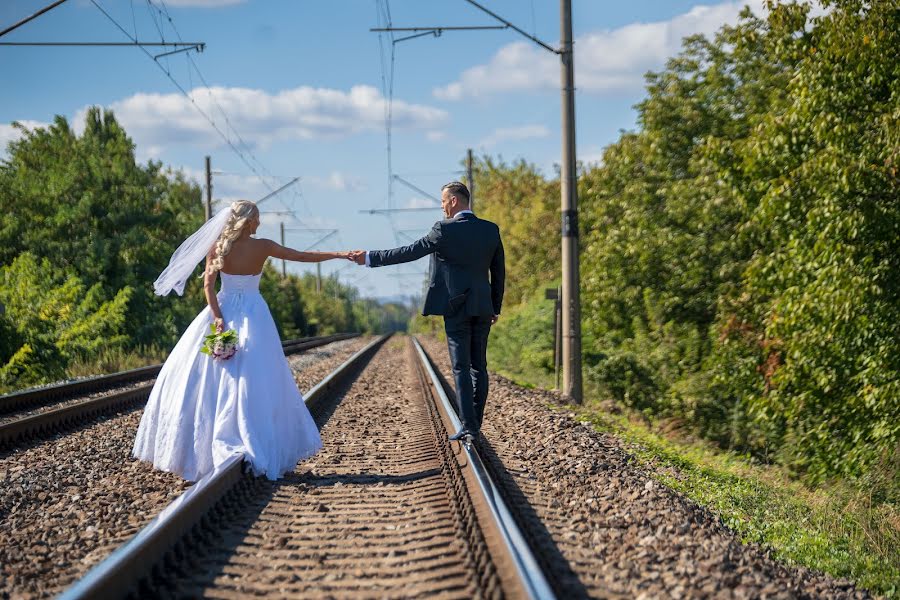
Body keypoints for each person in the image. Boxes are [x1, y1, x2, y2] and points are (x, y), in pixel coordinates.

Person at [133, 200, 349, 481]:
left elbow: (208, 287)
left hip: (222, 310)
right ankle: (249, 435)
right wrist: (339, 254)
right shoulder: (264, 247)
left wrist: (218, 317)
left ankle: (204, 446)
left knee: (210, 377)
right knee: (254, 376)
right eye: (257, 219)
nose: (259, 224)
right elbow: (302, 256)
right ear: (248, 222)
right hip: (253, 314)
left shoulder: (218, 247)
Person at [349, 181, 505, 441]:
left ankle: (470, 427)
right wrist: (495, 307)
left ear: (454, 201)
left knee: (461, 367)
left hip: (456, 308)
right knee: (479, 366)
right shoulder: (490, 230)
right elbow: (498, 273)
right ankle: (474, 424)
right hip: (482, 306)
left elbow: (409, 252)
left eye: (443, 201)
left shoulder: (443, 230)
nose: (442, 206)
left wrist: (369, 257)